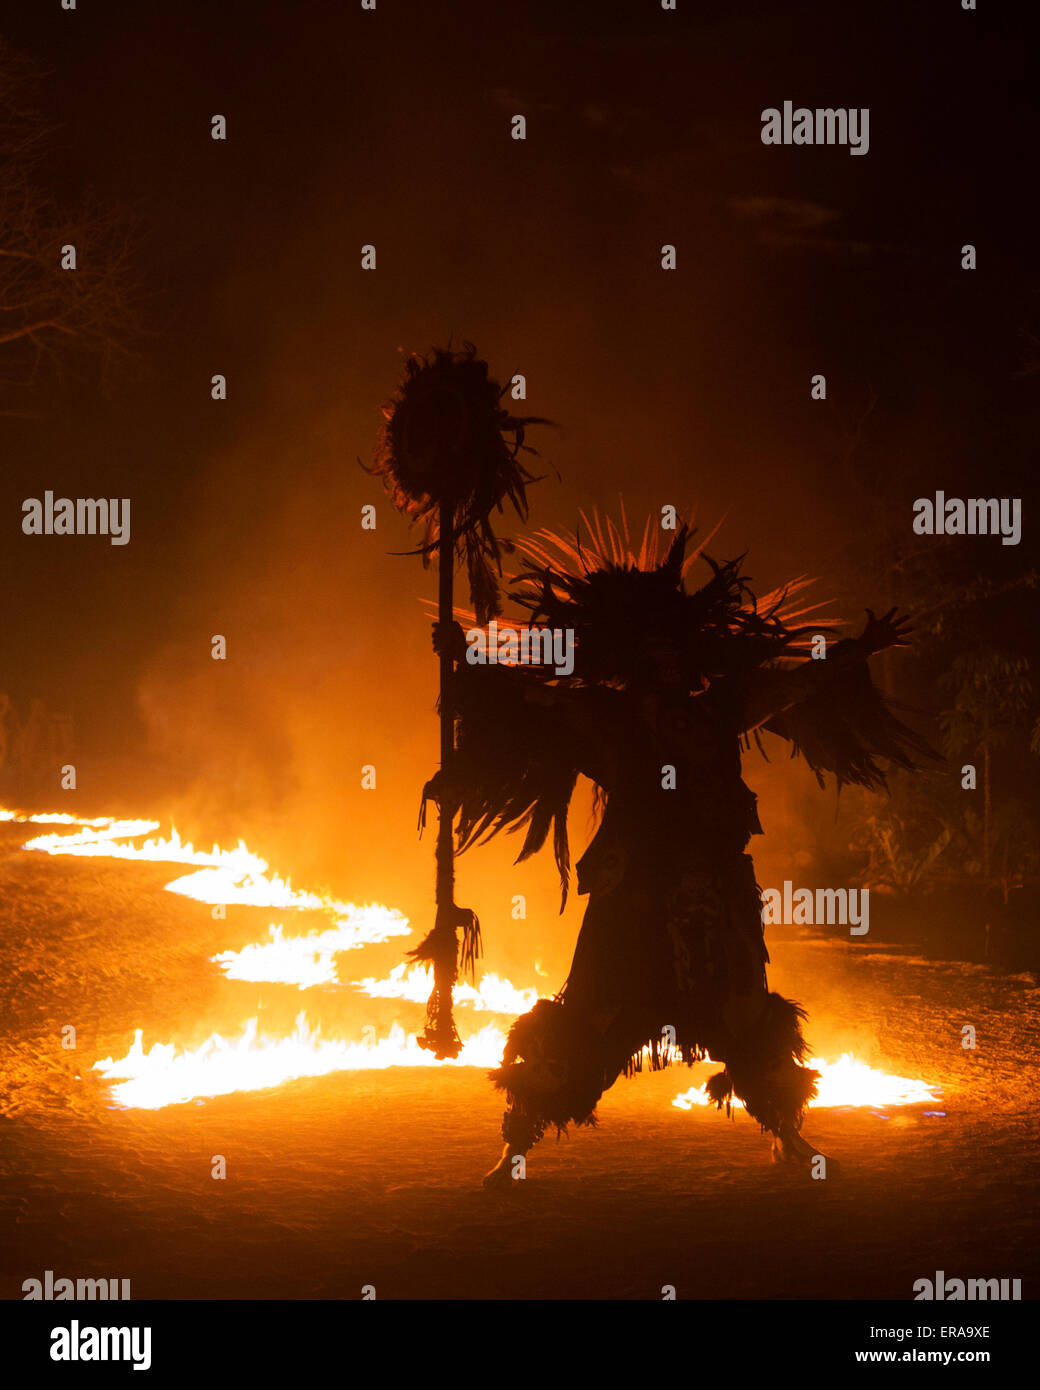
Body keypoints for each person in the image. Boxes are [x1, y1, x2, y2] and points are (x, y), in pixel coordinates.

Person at [428, 521, 934, 1184]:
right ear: (635, 657)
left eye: (674, 649)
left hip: (711, 888)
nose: (665, 661)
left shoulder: (720, 710)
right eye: (653, 650)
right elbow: (535, 701)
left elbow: (792, 687)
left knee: (746, 1017)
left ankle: (787, 1135)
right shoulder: (608, 719)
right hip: (632, 892)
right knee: (586, 1022)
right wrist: (468, 658)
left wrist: (858, 648)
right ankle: (514, 1149)